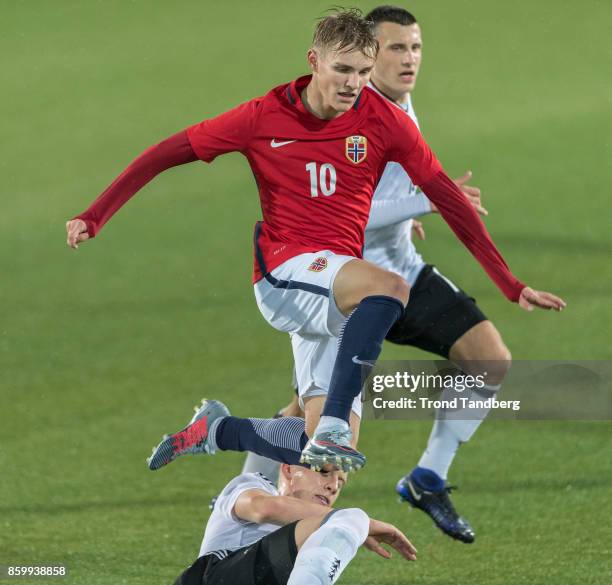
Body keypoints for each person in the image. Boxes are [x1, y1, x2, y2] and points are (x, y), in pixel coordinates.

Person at [66, 9, 565, 474]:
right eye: (343, 70)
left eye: (364, 72)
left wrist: (509, 283)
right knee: (389, 290)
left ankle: (219, 430)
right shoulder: (262, 117)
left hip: (334, 288)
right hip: (283, 274)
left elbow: (449, 198)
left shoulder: (384, 121)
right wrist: (95, 215)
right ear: (314, 61)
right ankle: (328, 429)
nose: (354, 84)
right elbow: (166, 153)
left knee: (320, 460)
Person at [242, 5, 518, 544]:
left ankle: (427, 477)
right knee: (309, 414)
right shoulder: (343, 114)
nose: (409, 59)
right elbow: (340, 207)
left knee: (489, 360)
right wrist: (426, 203)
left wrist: (410, 210)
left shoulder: (400, 108)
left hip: (401, 275)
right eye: (396, 48)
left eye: (415, 47)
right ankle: (244, 490)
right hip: (344, 287)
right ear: (367, 55)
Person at [168, 428, 417, 584]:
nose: (333, 486)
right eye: (323, 471)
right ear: (288, 470)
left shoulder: (318, 537)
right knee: (353, 517)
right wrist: (361, 523)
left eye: (340, 482)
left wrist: (352, 526)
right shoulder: (252, 485)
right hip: (212, 578)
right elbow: (264, 508)